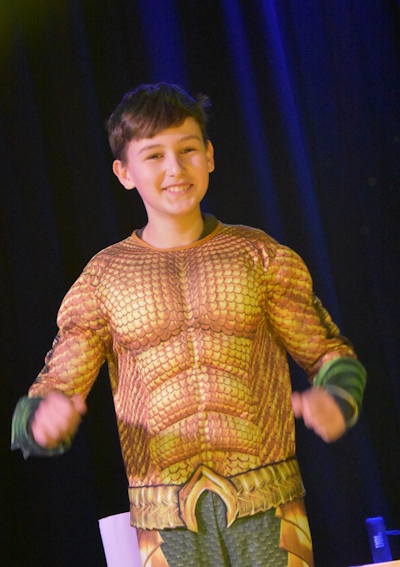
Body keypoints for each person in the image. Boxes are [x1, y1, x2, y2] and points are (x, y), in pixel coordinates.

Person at [11, 83, 366, 567]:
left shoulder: (259, 255)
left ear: (210, 156)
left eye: (187, 150)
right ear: (124, 172)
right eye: (154, 155)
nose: (175, 169)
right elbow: (53, 386)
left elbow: (328, 353)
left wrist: (337, 398)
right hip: (163, 515)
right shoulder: (103, 279)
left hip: (268, 498)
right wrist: (41, 420)